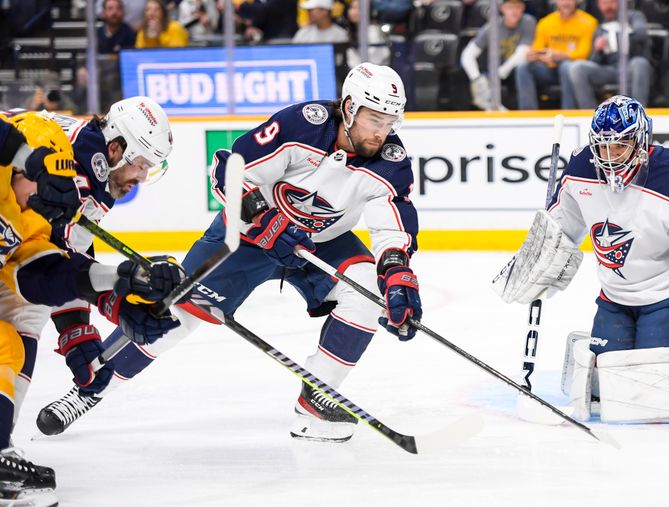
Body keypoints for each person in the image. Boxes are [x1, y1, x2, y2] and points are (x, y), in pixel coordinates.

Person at [38, 63, 423, 445]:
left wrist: (396, 273)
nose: (382, 131)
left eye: (391, 121)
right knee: (171, 315)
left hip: (322, 242)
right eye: (375, 119)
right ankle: (88, 390)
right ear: (351, 107)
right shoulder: (303, 125)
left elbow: (392, 223)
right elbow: (228, 169)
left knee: (367, 291)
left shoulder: (390, 159)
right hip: (246, 237)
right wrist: (262, 220)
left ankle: (317, 401)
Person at [493, 95, 669, 420]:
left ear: (640, 143)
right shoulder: (581, 169)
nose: (610, 157)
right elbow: (561, 224)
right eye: (602, 147)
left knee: (654, 391)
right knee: (607, 392)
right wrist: (538, 260)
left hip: (668, 299)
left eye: (620, 146)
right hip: (614, 299)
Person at [0, 110, 180, 507]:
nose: (141, 179)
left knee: (15, 331)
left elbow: (51, 266)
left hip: (11, 250)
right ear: (118, 148)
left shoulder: (71, 185)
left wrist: (114, 292)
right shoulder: (67, 161)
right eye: (142, 165)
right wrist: (31, 162)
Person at [568, 0, 652, 109]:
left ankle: (637, 113)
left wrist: (616, 38)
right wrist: (598, 49)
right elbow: (594, 61)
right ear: (599, 5)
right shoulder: (600, 28)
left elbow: (641, 34)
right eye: (604, 3)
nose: (608, 7)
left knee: (639, 63)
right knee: (577, 68)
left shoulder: (634, 16)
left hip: (632, 67)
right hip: (611, 70)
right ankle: (590, 114)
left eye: (612, 2)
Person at [514, 0, 597, 110]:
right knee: (523, 67)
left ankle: (568, 112)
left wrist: (561, 55)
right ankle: (528, 113)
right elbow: (537, 48)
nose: (566, 3)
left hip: (572, 69)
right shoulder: (546, 22)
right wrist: (535, 55)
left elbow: (584, 53)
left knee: (566, 66)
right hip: (549, 66)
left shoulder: (588, 22)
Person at [459, 0, 536, 110]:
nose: (514, 11)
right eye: (510, 7)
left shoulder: (528, 22)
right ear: (502, 8)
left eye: (518, 7)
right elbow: (468, 54)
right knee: (465, 76)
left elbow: (522, 52)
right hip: (494, 70)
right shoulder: (492, 26)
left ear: (523, 8)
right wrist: (477, 78)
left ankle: (528, 113)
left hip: (512, 71)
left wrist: (499, 74)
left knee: (522, 68)